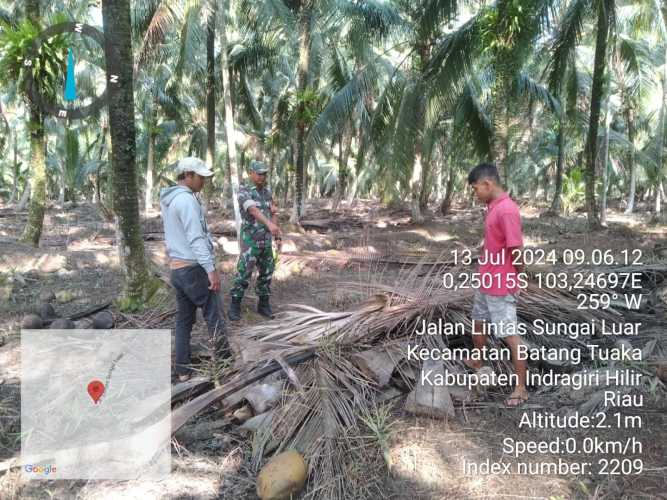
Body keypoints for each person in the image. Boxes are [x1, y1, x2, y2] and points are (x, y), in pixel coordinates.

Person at [160, 157, 229, 382]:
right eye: (201, 177)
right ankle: (226, 366)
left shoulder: (170, 199)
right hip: (193, 268)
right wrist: (210, 270)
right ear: (187, 175)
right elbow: (195, 238)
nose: (204, 182)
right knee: (214, 315)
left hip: (177, 269)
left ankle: (182, 370)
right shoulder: (187, 201)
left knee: (184, 320)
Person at [465, 163, 528, 407]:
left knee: (510, 336)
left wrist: (518, 276)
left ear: (487, 184)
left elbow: (516, 250)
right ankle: (478, 360)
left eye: (475, 189)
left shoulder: (507, 211)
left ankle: (521, 388)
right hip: (486, 279)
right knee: (478, 320)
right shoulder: (494, 207)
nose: (475, 194)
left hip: (501, 285)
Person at [228, 160, 282, 321]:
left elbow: (272, 213)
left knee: (266, 273)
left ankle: (263, 305)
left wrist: (276, 232)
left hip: (265, 241)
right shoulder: (244, 191)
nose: (262, 177)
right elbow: (252, 210)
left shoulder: (268, 192)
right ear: (250, 173)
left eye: (264, 173)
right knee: (244, 273)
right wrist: (270, 224)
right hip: (250, 241)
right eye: (259, 173)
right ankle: (235, 305)